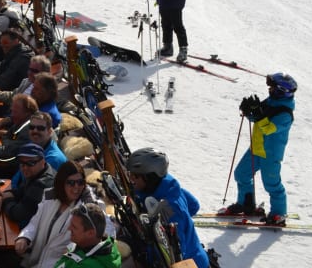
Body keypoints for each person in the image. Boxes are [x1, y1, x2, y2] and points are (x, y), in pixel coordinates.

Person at [221, 73, 297, 226]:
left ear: (281, 91)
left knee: (272, 184)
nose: (270, 89)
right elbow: (258, 118)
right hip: (256, 148)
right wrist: (249, 112)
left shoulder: (285, 114)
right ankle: (246, 204)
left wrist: (257, 114)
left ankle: (279, 214)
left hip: (270, 153)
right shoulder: (271, 102)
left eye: (273, 87)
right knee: (241, 174)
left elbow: (268, 128)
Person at [14, 162, 111, 268]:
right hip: (34, 261)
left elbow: (107, 230)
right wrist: (25, 237)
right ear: (61, 183)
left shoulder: (88, 206)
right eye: (71, 183)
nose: (76, 187)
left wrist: (78, 252)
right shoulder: (50, 197)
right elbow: (35, 222)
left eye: (80, 182)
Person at [127, 148, 209, 268]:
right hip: (195, 253)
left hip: (191, 263)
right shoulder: (167, 186)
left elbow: (176, 253)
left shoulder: (170, 209)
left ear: (150, 177)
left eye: (135, 176)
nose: (131, 179)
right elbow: (194, 205)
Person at [0, 143, 56, 229]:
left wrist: (6, 199)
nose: (25, 167)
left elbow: (17, 214)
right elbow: (20, 192)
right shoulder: (39, 172)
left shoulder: (42, 184)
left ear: (42, 161)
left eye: (31, 163)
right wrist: (9, 194)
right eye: (22, 163)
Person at [52, 204, 121, 268]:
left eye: (74, 227)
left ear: (90, 233)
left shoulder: (88, 266)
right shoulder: (85, 246)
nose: (69, 228)